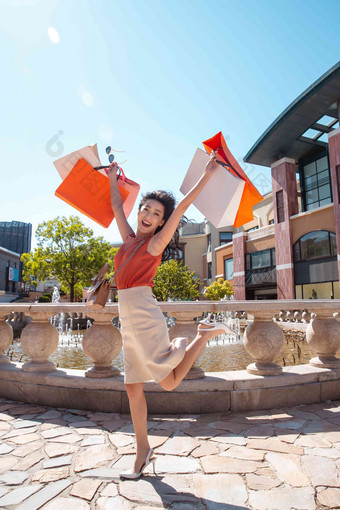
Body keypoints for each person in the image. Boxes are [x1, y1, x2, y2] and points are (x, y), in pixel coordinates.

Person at [107, 151, 231, 479]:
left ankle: (202, 335)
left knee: (170, 383)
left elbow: (185, 205)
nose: (147, 214)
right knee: (133, 388)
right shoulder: (129, 242)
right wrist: (111, 177)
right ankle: (142, 450)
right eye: (145, 209)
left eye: (156, 213)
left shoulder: (154, 245)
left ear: (163, 221)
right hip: (128, 320)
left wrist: (206, 174)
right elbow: (118, 207)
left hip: (143, 317)